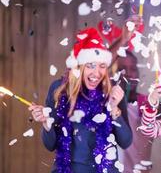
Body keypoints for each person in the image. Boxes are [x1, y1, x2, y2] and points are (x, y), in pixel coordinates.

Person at [29, 27, 132, 173]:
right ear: (79, 66)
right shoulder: (59, 89)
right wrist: (46, 123)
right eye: (90, 66)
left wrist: (114, 108)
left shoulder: (112, 92)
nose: (97, 73)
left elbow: (126, 142)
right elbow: (50, 145)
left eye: (102, 66)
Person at [115, 50, 161, 172]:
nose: (128, 74)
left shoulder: (146, 103)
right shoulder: (107, 104)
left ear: (138, 74)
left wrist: (157, 110)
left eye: (133, 69)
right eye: (122, 69)